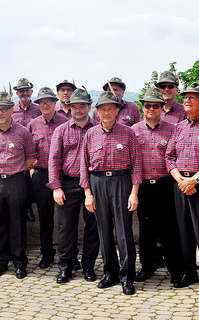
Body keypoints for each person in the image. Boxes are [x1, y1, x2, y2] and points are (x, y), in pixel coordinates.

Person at [80, 91, 142, 295]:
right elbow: (84, 166)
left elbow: (137, 166)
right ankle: (110, 273)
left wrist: (134, 193)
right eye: (102, 108)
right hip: (97, 183)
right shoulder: (90, 134)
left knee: (124, 232)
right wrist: (88, 194)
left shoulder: (128, 133)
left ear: (117, 111)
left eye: (110, 108)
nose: (106, 112)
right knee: (103, 231)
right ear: (96, 112)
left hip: (121, 182)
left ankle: (127, 276)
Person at [48, 88, 100, 284]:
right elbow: (53, 159)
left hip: (93, 186)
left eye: (82, 105)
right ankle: (65, 267)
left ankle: (88, 267)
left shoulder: (97, 129)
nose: (78, 109)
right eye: (74, 106)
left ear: (89, 106)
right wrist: (56, 187)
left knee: (92, 228)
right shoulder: (61, 130)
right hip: (68, 184)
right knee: (65, 229)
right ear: (69, 108)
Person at [0, 91, 35, 279]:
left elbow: (31, 158)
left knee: (18, 223)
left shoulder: (23, 132)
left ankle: (20, 263)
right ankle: (0, 262)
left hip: (16, 181)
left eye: (4, 109)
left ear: (12, 110)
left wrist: (15, 170)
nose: (1, 113)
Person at [131, 87, 181, 284]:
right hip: (143, 186)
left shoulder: (172, 129)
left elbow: (175, 157)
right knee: (146, 229)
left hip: (166, 185)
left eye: (155, 105)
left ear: (162, 108)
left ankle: (175, 269)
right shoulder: (134, 130)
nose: (151, 108)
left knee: (170, 228)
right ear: (142, 107)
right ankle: (147, 266)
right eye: (148, 105)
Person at [27, 87, 68, 268]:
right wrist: (31, 169)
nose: (45, 105)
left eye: (48, 101)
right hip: (41, 174)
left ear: (55, 103)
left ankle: (68, 255)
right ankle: (47, 254)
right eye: (41, 102)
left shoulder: (65, 122)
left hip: (63, 175)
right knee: (45, 218)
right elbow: (28, 150)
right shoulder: (33, 124)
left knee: (66, 219)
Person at [166, 81, 199, 288]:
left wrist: (194, 180)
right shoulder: (179, 127)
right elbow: (169, 157)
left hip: (197, 183)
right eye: (185, 97)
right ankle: (189, 272)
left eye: (192, 97)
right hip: (180, 185)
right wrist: (181, 180)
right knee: (184, 232)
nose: (186, 100)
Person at [12, 78, 40, 223]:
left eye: (26, 90)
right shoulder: (12, 110)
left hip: (33, 152)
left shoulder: (38, 109)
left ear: (31, 92)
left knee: (31, 178)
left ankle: (29, 208)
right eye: (21, 90)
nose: (24, 93)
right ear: (17, 93)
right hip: (14, 153)